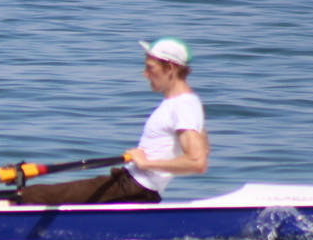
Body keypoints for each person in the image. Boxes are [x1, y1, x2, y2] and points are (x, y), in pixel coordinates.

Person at [17, 38, 209, 205]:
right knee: (34, 194)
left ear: (169, 68)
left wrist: (145, 164)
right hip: (131, 185)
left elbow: (196, 161)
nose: (144, 74)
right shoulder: (187, 104)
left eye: (150, 67)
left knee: (31, 196)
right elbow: (204, 150)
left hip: (133, 188)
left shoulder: (182, 105)